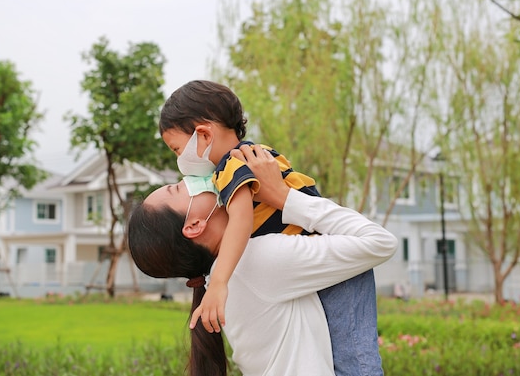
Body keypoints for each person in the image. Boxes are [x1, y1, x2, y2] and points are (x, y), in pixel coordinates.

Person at [159, 80, 384, 376]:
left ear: (203, 134)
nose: (180, 161)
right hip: (322, 246)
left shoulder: (231, 168)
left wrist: (220, 282)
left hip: (327, 257)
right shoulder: (253, 152)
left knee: (354, 359)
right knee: (351, 352)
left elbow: (241, 219)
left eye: (177, 149)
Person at [128, 144, 398, 376]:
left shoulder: (222, 279)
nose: (192, 179)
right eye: (178, 187)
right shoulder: (255, 261)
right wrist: (283, 196)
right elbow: (379, 241)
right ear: (194, 225)